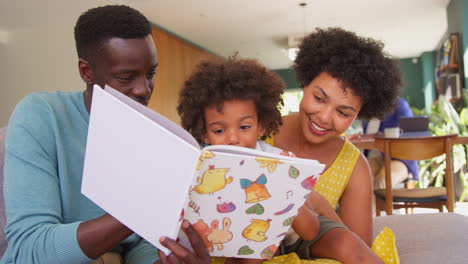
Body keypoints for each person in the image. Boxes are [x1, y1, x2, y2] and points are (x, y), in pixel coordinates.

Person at [1, 5, 210, 264]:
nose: (143, 89)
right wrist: (144, 207)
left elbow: (138, 248)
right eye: (126, 77)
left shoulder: (153, 139)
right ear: (86, 71)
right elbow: (29, 249)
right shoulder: (41, 115)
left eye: (151, 74)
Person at [271, 27, 402, 263]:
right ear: (305, 83)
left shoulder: (354, 167)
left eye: (343, 112)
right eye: (319, 98)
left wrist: (321, 209)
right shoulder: (256, 131)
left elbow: (357, 249)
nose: (323, 117)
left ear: (359, 116)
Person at [177, 57, 320, 264]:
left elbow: (310, 231)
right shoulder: (198, 164)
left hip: (263, 243)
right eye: (219, 130)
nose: (233, 138)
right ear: (205, 134)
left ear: (261, 126)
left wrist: (285, 190)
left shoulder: (281, 162)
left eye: (244, 127)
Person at [363, 97, 419, 189]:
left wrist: (385, 135)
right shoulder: (369, 110)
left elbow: (410, 132)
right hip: (375, 156)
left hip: (399, 158)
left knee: (383, 181)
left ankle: (378, 203)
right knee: (360, 177)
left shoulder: (399, 105)